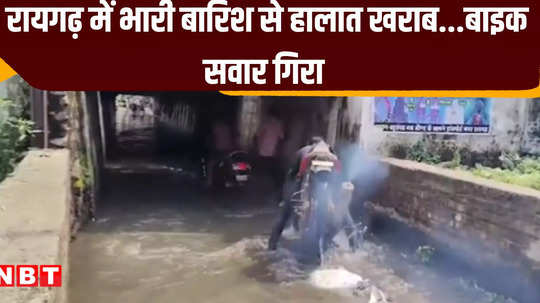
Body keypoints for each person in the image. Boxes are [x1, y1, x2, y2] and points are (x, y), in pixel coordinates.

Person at [269, 136, 356, 251]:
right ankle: (355, 247)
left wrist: (287, 197)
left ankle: (272, 246)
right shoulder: (330, 153)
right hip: (320, 179)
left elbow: (294, 176)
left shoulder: (303, 152)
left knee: (285, 213)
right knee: (344, 214)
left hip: (311, 179)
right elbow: (339, 176)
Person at [256, 107, 285, 198]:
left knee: (262, 171)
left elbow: (259, 136)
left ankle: (261, 191)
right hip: (273, 152)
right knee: (272, 172)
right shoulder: (278, 124)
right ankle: (274, 190)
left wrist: (257, 146)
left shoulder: (265, 123)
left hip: (263, 151)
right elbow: (282, 137)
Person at [206, 118, 234, 187]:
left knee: (211, 164)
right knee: (229, 163)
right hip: (226, 148)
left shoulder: (216, 126)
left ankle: (209, 181)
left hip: (219, 148)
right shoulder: (227, 127)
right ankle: (230, 180)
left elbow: (213, 137)